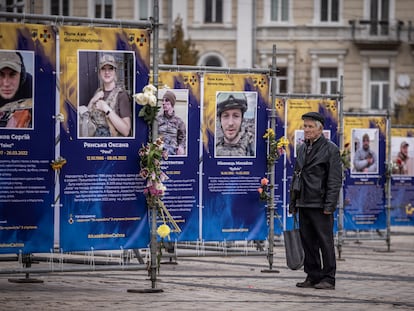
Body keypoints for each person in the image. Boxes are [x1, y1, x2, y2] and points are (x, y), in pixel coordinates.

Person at [289, 112, 342, 290]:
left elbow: (334, 180)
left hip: (320, 204)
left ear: (320, 129)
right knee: (308, 242)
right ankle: (312, 275)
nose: (307, 130)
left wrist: (330, 205)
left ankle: (328, 278)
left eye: (311, 126)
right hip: (303, 201)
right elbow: (296, 175)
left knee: (325, 242)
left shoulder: (331, 149)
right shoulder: (303, 148)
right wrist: (293, 202)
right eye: (305, 126)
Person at [80, 54, 132, 137]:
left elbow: (126, 131)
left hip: (113, 145)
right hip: (94, 144)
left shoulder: (121, 95)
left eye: (110, 69)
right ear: (99, 72)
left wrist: (106, 108)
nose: (107, 72)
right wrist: (93, 100)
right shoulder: (98, 92)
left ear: (115, 71)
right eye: (103, 69)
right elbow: (87, 118)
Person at [0, 51, 33, 128]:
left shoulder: (30, 84)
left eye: (12, 74)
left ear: (21, 75)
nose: (6, 83)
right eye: (0, 74)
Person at [215, 93, 254, 157]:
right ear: (220, 120)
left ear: (242, 119)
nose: (230, 123)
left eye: (236, 116)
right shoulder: (210, 147)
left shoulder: (252, 146)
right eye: (225, 116)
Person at [156, 90, 186, 155]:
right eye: (163, 101)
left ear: (172, 103)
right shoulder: (157, 120)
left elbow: (182, 138)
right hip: (159, 151)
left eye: (166, 100)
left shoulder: (179, 122)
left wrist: (181, 147)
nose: (163, 103)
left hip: (173, 151)